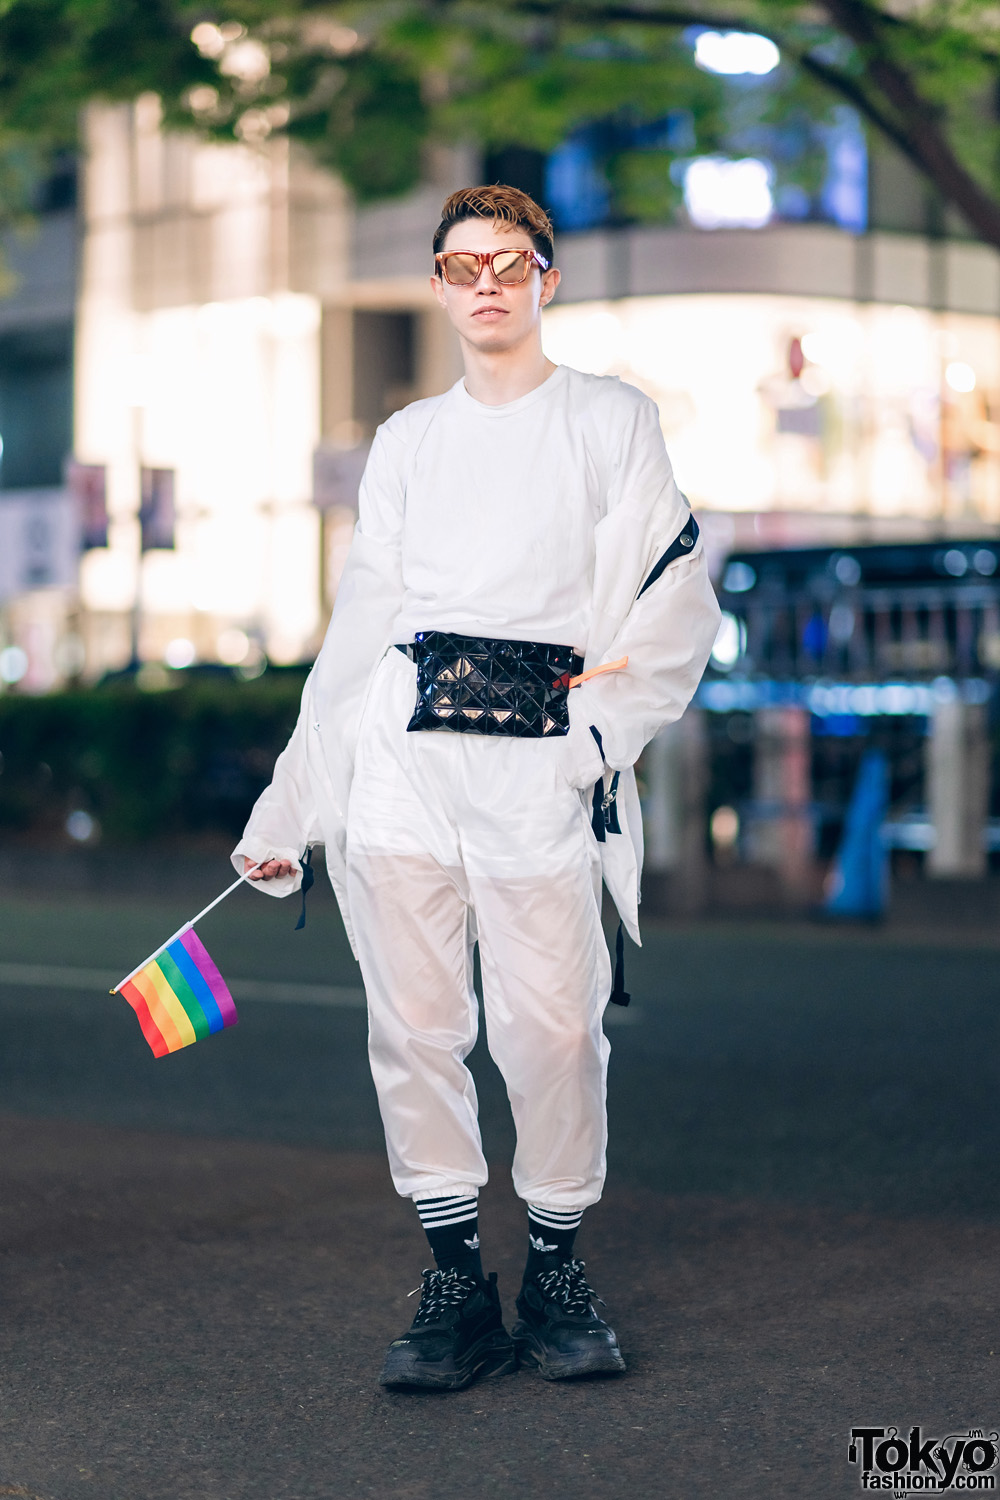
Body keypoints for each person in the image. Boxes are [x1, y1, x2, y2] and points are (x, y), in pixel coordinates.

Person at [233, 183, 721, 1390]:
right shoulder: (407, 440)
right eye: (461, 266)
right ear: (442, 287)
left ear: (546, 277)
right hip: (403, 762)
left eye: (509, 262)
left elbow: (673, 598)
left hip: (540, 763)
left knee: (554, 1029)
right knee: (412, 1026)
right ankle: (454, 1272)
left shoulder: (609, 420)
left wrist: (588, 744)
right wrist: (294, 800)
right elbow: (360, 634)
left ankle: (555, 1260)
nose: (486, 283)